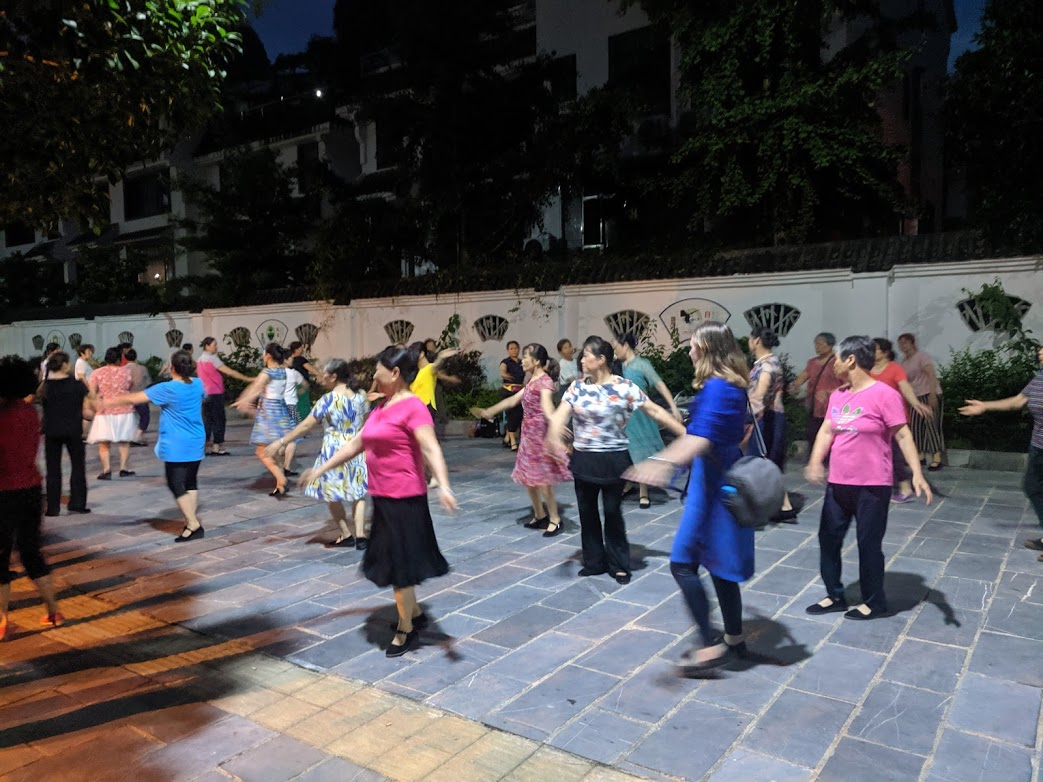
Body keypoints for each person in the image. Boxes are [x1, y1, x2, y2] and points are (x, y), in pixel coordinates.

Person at [299, 345, 456, 658]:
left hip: (405, 499)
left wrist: (445, 485)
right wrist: (320, 469)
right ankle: (413, 612)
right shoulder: (382, 406)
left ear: (395, 373)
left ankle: (406, 627)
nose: (373, 374)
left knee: (399, 566)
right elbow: (357, 443)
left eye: (378, 369)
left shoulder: (413, 407)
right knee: (396, 562)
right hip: (383, 497)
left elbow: (431, 448)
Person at [624, 322, 753, 672]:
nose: (690, 350)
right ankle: (735, 638)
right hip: (719, 480)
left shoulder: (718, 388)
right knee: (720, 565)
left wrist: (661, 463)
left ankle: (710, 646)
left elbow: (700, 439)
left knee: (682, 563)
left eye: (694, 344)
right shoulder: (732, 385)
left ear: (708, 349)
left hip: (712, 488)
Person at [805, 336, 932, 621]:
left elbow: (903, 435)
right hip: (839, 483)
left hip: (872, 486)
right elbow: (827, 431)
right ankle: (835, 595)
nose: (834, 364)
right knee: (828, 539)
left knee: (868, 544)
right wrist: (814, 462)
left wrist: (917, 473)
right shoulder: (838, 395)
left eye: (837, 358)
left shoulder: (885, 395)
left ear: (850, 360)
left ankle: (874, 602)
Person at [546, 336, 686, 584]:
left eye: (586, 355)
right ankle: (593, 561)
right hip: (584, 460)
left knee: (612, 512)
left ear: (601, 359)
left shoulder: (625, 387)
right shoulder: (576, 387)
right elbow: (560, 415)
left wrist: (684, 433)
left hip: (614, 459)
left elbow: (654, 410)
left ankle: (618, 564)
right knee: (587, 513)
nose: (582, 360)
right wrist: (553, 434)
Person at [101, 350, 207, 542]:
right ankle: (190, 522)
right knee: (190, 481)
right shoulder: (198, 384)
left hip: (177, 442)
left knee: (175, 482)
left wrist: (107, 402)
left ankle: (193, 524)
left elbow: (133, 398)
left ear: (172, 367)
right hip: (196, 438)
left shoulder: (167, 388)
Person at [266, 358, 369, 549]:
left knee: (331, 493)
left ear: (334, 376)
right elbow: (366, 421)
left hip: (333, 448)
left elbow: (306, 425)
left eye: (324, 374)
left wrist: (281, 441)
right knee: (358, 492)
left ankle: (346, 534)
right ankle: (361, 536)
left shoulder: (328, 399)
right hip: (356, 445)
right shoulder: (360, 395)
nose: (321, 377)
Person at [475, 343, 572, 537]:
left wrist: (555, 423)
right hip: (528, 435)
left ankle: (555, 519)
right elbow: (512, 400)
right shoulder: (532, 380)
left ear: (536, 361)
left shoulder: (544, 381)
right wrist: (490, 411)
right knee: (529, 478)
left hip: (540, 435)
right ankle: (539, 514)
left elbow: (547, 408)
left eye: (526, 357)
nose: (522, 360)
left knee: (542, 479)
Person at [959, 345, 1043, 561]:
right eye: (1040, 350)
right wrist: (985, 406)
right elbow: (1017, 401)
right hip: (1038, 446)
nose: (1040, 353)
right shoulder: (1039, 378)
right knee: (1032, 487)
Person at [1, 355, 64, 641]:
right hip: (31, 488)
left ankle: (1, 619)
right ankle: (53, 610)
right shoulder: (30, 413)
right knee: (31, 552)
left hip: (3, 491)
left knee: (1, 556)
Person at [613, 332, 683, 509]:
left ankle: (643, 491)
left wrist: (673, 407)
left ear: (625, 345)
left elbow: (659, 384)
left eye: (616, 347)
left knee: (640, 451)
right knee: (624, 452)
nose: (615, 351)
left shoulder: (642, 365)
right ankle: (630, 482)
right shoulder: (617, 366)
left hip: (641, 415)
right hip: (623, 415)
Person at [871, 338, 933, 503]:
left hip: (893, 419)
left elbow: (905, 387)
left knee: (895, 454)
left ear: (885, 352)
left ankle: (905, 488)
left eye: (875, 349)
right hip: (875, 419)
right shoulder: (867, 369)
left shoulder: (894, 368)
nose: (871, 352)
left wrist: (916, 403)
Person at [748, 327, 798, 522]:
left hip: (764, 418)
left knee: (758, 462)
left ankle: (758, 507)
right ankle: (784, 506)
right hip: (774, 416)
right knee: (769, 463)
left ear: (756, 341)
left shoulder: (766, 366)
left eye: (751, 338)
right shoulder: (773, 361)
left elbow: (759, 394)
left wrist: (749, 409)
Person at [232, 343, 295, 496]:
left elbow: (255, 388)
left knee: (262, 451)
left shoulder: (267, 372)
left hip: (269, 413)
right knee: (275, 451)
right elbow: (259, 389)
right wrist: (244, 400)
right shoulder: (283, 372)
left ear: (267, 355)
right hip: (280, 411)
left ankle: (282, 479)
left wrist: (243, 401)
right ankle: (280, 485)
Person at [37, 352, 90, 516]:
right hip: (73, 429)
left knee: (52, 469)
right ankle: (77, 503)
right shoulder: (77, 385)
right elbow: (87, 406)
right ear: (65, 365)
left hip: (51, 430)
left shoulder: (45, 386)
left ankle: (53, 507)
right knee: (78, 467)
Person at [197, 337, 253, 456]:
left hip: (204, 393)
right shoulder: (212, 359)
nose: (216, 347)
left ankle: (203, 446)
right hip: (215, 392)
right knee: (219, 419)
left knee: (207, 420)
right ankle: (217, 446)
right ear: (207, 346)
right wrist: (247, 378)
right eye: (214, 345)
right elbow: (229, 371)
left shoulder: (200, 359)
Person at [86, 346, 136, 480]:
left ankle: (106, 469)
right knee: (124, 441)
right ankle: (123, 468)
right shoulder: (126, 372)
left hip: (105, 410)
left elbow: (92, 392)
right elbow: (130, 386)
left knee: (104, 442)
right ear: (119, 359)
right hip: (124, 409)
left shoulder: (96, 373)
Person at [898, 333, 945, 471]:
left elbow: (931, 374)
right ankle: (920, 455)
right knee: (916, 426)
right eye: (900, 343)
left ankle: (936, 457)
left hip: (928, 393)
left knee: (931, 425)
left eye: (905, 342)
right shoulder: (904, 362)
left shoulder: (922, 357)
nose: (903, 346)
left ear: (912, 343)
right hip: (915, 397)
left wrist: (932, 394)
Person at [789, 332, 842, 448]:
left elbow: (847, 383)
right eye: (816, 344)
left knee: (830, 437)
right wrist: (794, 386)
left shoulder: (837, 362)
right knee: (813, 435)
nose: (817, 347)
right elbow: (803, 377)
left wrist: (830, 392)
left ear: (830, 345)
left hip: (832, 406)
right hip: (814, 406)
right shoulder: (812, 363)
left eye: (820, 344)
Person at [280, 354, 307, 476]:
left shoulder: (274, 373)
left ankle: (279, 464)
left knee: (281, 436)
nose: (292, 360)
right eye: (290, 358)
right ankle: (286, 466)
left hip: (279, 407)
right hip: (291, 406)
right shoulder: (293, 373)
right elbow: (305, 385)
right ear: (285, 360)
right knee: (293, 436)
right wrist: (299, 392)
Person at [500, 341, 525, 450]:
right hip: (508, 391)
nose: (514, 350)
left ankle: (507, 438)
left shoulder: (522, 362)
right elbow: (502, 371)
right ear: (508, 350)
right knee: (511, 415)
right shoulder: (505, 362)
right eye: (511, 348)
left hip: (519, 391)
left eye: (516, 348)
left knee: (519, 415)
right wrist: (505, 375)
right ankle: (513, 442)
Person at [124, 348, 151, 446]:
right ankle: (138, 435)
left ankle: (129, 436)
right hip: (140, 395)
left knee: (129, 417)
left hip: (128, 396)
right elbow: (148, 382)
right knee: (144, 416)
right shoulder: (143, 369)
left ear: (125, 358)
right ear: (136, 357)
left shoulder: (122, 370)